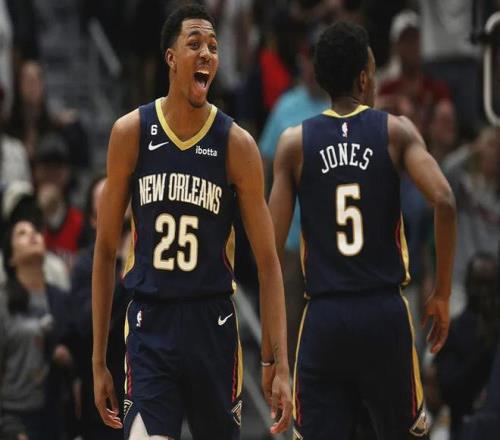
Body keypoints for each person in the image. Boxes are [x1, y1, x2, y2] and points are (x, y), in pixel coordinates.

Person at [92, 4, 291, 440]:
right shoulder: (131, 132)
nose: (206, 54)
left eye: (214, 47)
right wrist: (98, 359)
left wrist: (276, 363)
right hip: (150, 324)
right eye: (195, 43)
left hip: (212, 325)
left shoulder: (236, 144)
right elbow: (105, 250)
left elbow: (268, 262)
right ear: (170, 57)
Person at [268, 21, 457, 440]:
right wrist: (442, 293)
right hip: (383, 312)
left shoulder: (294, 143)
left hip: (324, 316)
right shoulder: (395, 131)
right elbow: (445, 200)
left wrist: (272, 352)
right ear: (364, 78)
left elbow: (268, 251)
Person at [0, 219, 74, 440]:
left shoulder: (60, 298)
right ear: (11, 258)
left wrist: (67, 357)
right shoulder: (3, 301)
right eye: (22, 233)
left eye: (35, 231)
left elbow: (77, 353)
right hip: (15, 416)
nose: (32, 235)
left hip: (56, 414)